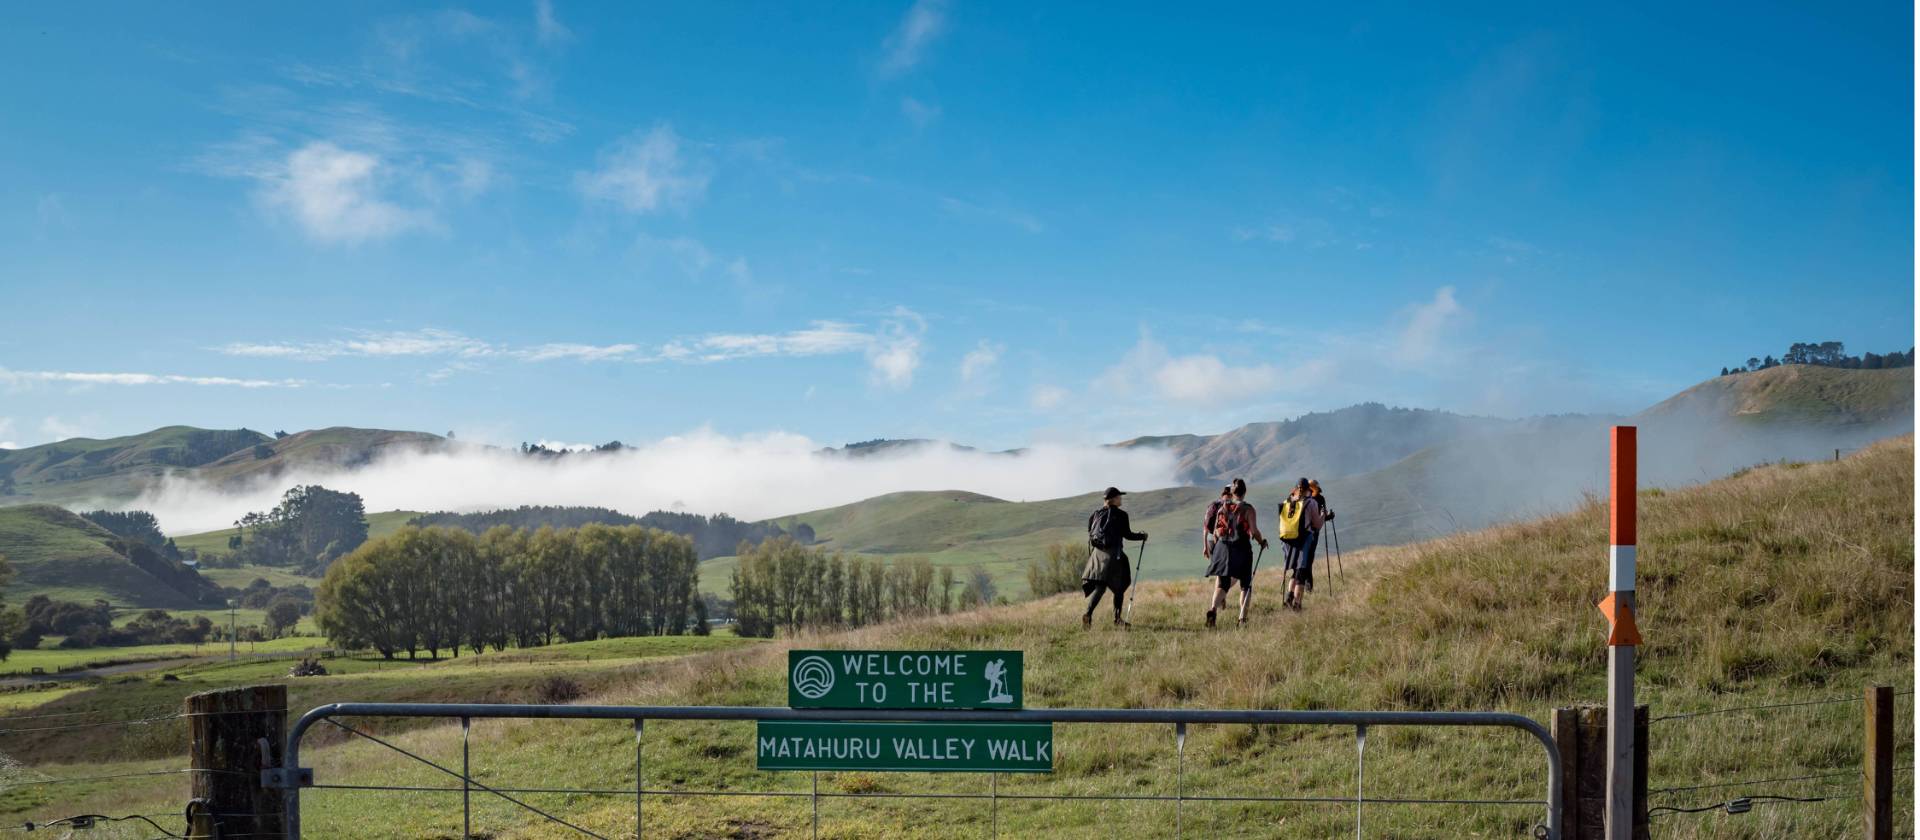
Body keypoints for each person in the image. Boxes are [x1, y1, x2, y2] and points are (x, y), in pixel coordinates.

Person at [1202, 478, 1267, 628]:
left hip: (1222, 547)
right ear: (1244, 492)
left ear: (1232, 492)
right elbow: (1254, 531)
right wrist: (1261, 542)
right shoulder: (1248, 509)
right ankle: (1242, 619)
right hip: (1241, 549)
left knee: (1223, 584)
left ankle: (1213, 610)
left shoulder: (1222, 508)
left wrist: (1219, 547)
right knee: (1245, 584)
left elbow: (1216, 532)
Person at [1081, 486, 1147, 628]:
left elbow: (1090, 534)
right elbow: (1128, 535)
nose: (1121, 499)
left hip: (1097, 556)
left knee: (1100, 588)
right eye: (1119, 497)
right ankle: (1117, 620)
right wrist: (1142, 536)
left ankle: (1088, 614)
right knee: (1119, 588)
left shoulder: (1095, 514)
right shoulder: (1122, 515)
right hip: (1113, 557)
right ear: (1114, 499)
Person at [1277, 478, 1325, 611]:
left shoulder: (1287, 501)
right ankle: (1297, 605)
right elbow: (1317, 525)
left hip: (1288, 541)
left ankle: (1289, 596)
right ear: (1307, 489)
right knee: (1301, 572)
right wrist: (1323, 515)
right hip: (1304, 540)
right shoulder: (1311, 503)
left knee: (1295, 570)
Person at [1305, 479, 1333, 579]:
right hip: (1313, 532)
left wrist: (1327, 516)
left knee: (1304, 558)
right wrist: (1329, 516)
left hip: (1302, 532)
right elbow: (1322, 516)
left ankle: (1304, 583)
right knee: (1309, 557)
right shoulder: (1320, 499)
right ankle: (1307, 584)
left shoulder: (1303, 498)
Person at [1200, 485, 1232, 562]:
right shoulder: (1230, 505)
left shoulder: (1213, 504)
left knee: (1216, 565)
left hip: (1210, 539)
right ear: (1231, 494)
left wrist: (1205, 546)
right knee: (1226, 567)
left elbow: (1205, 526)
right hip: (1223, 538)